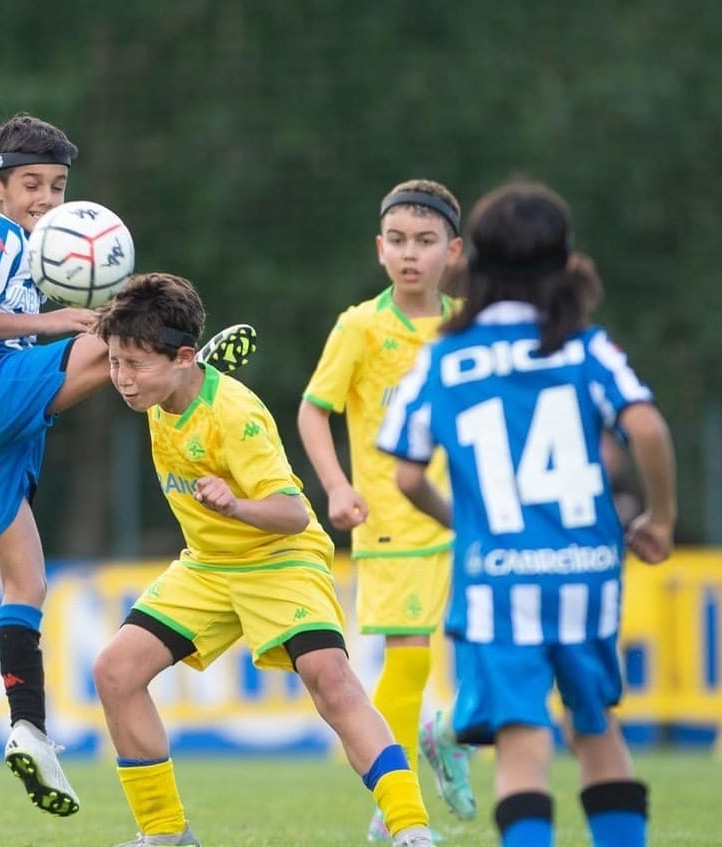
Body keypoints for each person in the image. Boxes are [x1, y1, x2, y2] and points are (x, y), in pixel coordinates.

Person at [0, 114, 255, 817]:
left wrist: (65, 317)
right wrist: (51, 322)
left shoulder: (32, 245)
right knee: (114, 328)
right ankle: (183, 366)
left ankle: (28, 728)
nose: (45, 198)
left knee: (28, 579)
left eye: (57, 185)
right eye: (30, 185)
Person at [378, 180, 677, 847]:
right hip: (585, 571)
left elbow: (404, 471)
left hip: (498, 581)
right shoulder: (586, 348)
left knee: (521, 743)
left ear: (467, 265)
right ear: (569, 266)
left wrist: (464, 521)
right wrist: (659, 518)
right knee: (596, 725)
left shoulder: (444, 358)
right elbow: (648, 427)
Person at [90, 272, 434, 847]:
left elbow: (294, 514)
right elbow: (134, 356)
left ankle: (410, 830)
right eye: (114, 362)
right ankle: (166, 835)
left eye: (133, 365)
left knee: (331, 680)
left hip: (279, 557)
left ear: (181, 358)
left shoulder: (236, 416)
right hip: (208, 564)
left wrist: (237, 505)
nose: (121, 379)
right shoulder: (160, 385)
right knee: (114, 672)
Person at [297, 179, 476, 840]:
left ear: (452, 251)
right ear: (379, 249)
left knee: (498, 652)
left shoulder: (468, 326)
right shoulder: (360, 326)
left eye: (425, 242)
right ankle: (397, 806)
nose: (410, 254)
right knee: (410, 660)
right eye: (398, 241)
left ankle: (447, 729)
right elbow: (314, 409)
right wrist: (337, 486)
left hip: (467, 518)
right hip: (393, 518)